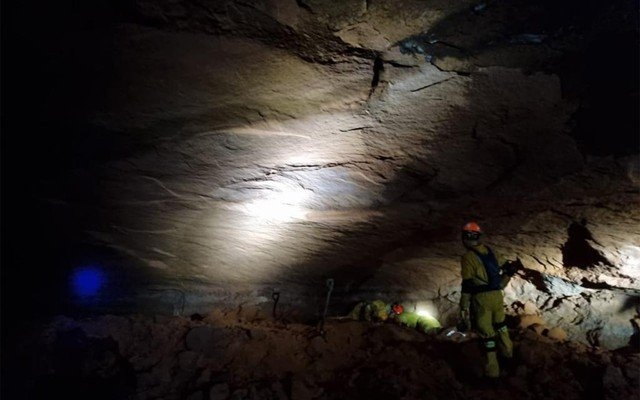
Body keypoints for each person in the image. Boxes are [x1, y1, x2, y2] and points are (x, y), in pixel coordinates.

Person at [458, 221, 518, 379]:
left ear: (465, 238)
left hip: (481, 299)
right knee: (501, 326)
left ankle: (492, 372)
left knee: (487, 335)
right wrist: (501, 283)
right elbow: (510, 268)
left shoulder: (468, 257)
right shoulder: (491, 252)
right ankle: (509, 358)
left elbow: (467, 285)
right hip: (497, 296)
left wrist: (463, 309)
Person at [347, 300, 441, 334]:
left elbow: (396, 321)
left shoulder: (403, 316)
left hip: (427, 321)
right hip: (432, 322)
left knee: (429, 329)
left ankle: (441, 332)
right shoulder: (382, 308)